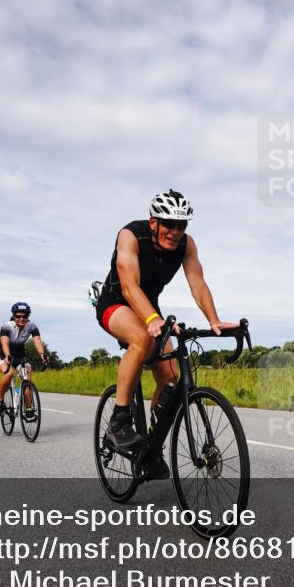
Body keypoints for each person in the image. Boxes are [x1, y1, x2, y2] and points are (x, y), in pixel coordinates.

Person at [95, 189, 237, 477]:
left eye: (181, 225)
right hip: (116, 303)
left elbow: (197, 282)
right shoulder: (130, 236)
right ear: (153, 222)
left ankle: (152, 448)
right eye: (168, 224)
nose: (175, 231)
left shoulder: (187, 245)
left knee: (172, 379)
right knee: (142, 338)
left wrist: (214, 320)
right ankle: (119, 421)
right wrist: (151, 318)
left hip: (150, 309)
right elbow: (129, 287)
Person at [0, 302, 48, 418]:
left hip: (20, 354)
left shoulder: (32, 326)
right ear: (14, 316)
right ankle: (0, 401)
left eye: (24, 316)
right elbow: (4, 343)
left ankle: (28, 408)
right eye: (18, 316)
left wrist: (42, 355)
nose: (21, 318)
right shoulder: (6, 326)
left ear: (28, 317)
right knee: (9, 374)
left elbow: (37, 341)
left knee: (27, 377)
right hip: (4, 354)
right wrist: (8, 355)